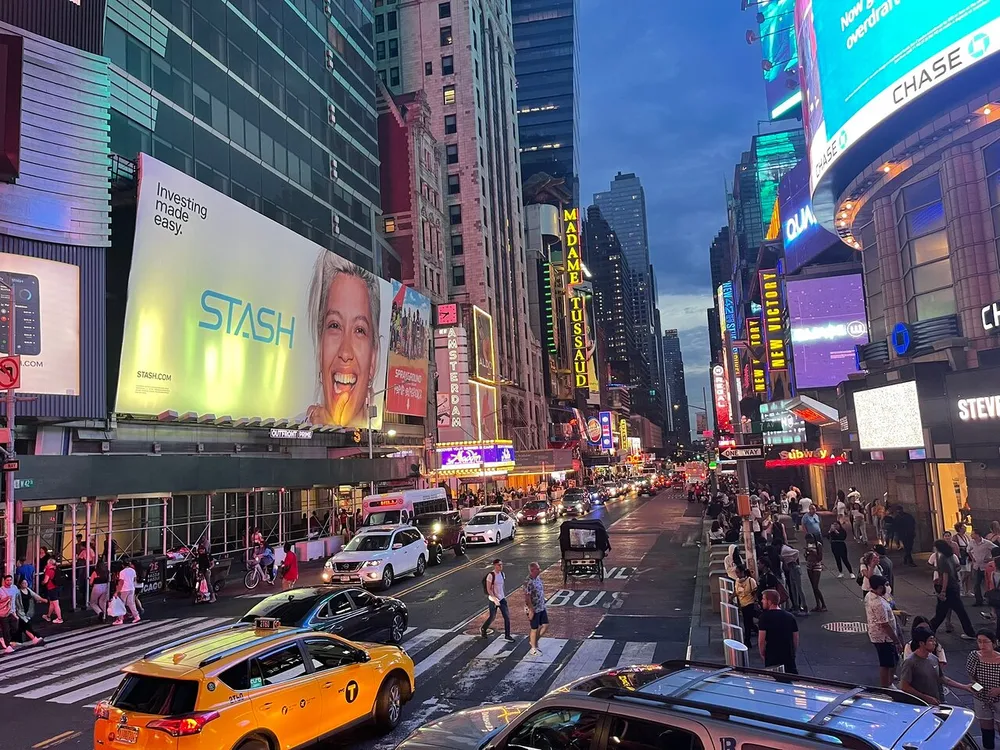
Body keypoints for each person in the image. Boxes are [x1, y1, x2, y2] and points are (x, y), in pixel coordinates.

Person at [304, 254, 382, 428]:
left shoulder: (373, 436)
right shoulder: (296, 426)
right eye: (334, 326)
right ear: (320, 349)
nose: (345, 353)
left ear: (373, 359)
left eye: (359, 330)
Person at [900, 628, 970, 705]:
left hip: (935, 703)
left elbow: (941, 678)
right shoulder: (910, 662)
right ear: (921, 643)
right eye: (931, 640)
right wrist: (926, 698)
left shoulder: (933, 658)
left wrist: (965, 687)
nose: (934, 643)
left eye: (934, 640)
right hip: (919, 705)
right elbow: (904, 687)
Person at [929, 538, 977, 640]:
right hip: (954, 586)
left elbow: (946, 575)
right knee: (958, 611)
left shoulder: (942, 559)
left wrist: (943, 591)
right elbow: (955, 569)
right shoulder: (951, 556)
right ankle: (970, 632)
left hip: (948, 588)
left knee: (941, 612)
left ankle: (929, 631)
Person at [865, 575, 903, 687]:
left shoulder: (870, 595)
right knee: (886, 663)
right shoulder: (878, 604)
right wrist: (896, 641)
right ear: (880, 587)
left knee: (893, 660)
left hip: (880, 635)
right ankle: (886, 686)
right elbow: (885, 625)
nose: (888, 587)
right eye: (886, 585)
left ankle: (889, 683)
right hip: (883, 637)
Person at [968, 629, 1000, 749]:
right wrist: (977, 687)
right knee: (986, 729)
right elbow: (971, 677)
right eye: (979, 642)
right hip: (982, 698)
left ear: (993, 643)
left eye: (985, 642)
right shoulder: (974, 657)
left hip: (999, 698)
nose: (982, 645)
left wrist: (998, 690)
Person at [757, 589, 799, 673]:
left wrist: (762, 653)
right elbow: (796, 638)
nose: (762, 601)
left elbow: (761, 640)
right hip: (788, 655)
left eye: (764, 599)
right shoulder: (790, 617)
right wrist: (793, 652)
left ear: (770, 601)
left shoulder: (764, 617)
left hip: (772, 656)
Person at [481, 558, 514, 642]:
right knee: (492, 617)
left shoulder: (502, 574)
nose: (501, 566)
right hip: (493, 600)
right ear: (495, 565)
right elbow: (489, 589)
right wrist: (495, 598)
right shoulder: (491, 575)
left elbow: (501, 586)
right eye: (499, 565)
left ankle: (507, 635)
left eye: (501, 564)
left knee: (507, 617)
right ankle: (484, 629)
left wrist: (503, 596)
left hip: (502, 599)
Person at [523, 561, 547, 656]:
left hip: (541, 606)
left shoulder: (538, 578)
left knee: (545, 625)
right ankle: (533, 648)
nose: (539, 569)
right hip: (534, 608)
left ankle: (534, 641)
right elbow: (527, 597)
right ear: (533, 570)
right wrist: (531, 610)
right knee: (534, 628)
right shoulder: (528, 582)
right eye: (538, 568)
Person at [970, 530, 999, 608]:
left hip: (986, 567)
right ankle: (979, 600)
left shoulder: (987, 543)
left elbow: (997, 549)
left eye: (973, 534)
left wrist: (991, 559)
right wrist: (972, 558)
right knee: (976, 584)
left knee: (988, 583)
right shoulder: (971, 542)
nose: (971, 535)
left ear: (978, 535)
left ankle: (990, 599)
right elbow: (968, 549)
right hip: (976, 566)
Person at [13, 577, 45, 645]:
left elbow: (35, 595)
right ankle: (36, 637)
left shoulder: (28, 590)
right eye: (23, 583)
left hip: (27, 611)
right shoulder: (18, 592)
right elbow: (14, 602)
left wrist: (43, 600)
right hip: (20, 612)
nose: (25, 584)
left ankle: (17, 640)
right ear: (20, 584)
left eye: (26, 583)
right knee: (27, 625)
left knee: (22, 626)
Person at [780, 542, 807, 615]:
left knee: (799, 588)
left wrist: (794, 560)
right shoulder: (785, 554)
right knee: (793, 589)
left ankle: (805, 607)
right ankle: (797, 607)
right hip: (791, 569)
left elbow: (797, 552)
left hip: (794, 568)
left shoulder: (786, 551)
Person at [734, 567, 758, 647]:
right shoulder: (737, 581)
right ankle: (758, 631)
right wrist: (731, 598)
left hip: (750, 604)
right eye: (736, 572)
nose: (737, 574)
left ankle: (747, 640)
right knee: (749, 623)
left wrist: (755, 601)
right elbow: (736, 592)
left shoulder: (751, 581)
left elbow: (755, 593)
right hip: (743, 604)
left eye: (738, 572)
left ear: (743, 572)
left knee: (747, 623)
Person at [804, 534, 827, 612]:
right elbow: (806, 557)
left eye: (809, 540)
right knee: (813, 587)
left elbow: (820, 557)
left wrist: (813, 552)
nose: (808, 541)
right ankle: (818, 604)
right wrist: (806, 553)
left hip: (816, 565)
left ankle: (823, 604)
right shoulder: (808, 545)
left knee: (815, 586)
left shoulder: (818, 545)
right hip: (809, 565)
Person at [115, 558, 140, 625]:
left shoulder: (122, 572)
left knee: (121, 604)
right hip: (131, 588)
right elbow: (134, 579)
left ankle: (120, 619)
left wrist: (117, 591)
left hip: (124, 589)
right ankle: (136, 616)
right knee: (131, 603)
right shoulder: (132, 570)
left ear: (123, 565)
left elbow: (121, 582)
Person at [40, 556, 63, 625]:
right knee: (52, 603)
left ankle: (59, 618)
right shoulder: (56, 569)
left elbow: (46, 581)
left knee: (55, 604)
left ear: (49, 563)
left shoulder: (49, 571)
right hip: (56, 587)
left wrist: (42, 582)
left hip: (51, 588)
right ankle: (48, 616)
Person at [955, 523, 973, 597]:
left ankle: (968, 590)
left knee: (968, 573)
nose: (965, 528)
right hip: (961, 557)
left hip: (967, 557)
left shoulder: (966, 536)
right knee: (963, 573)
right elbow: (955, 547)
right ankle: (960, 588)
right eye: (963, 527)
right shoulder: (956, 537)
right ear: (959, 528)